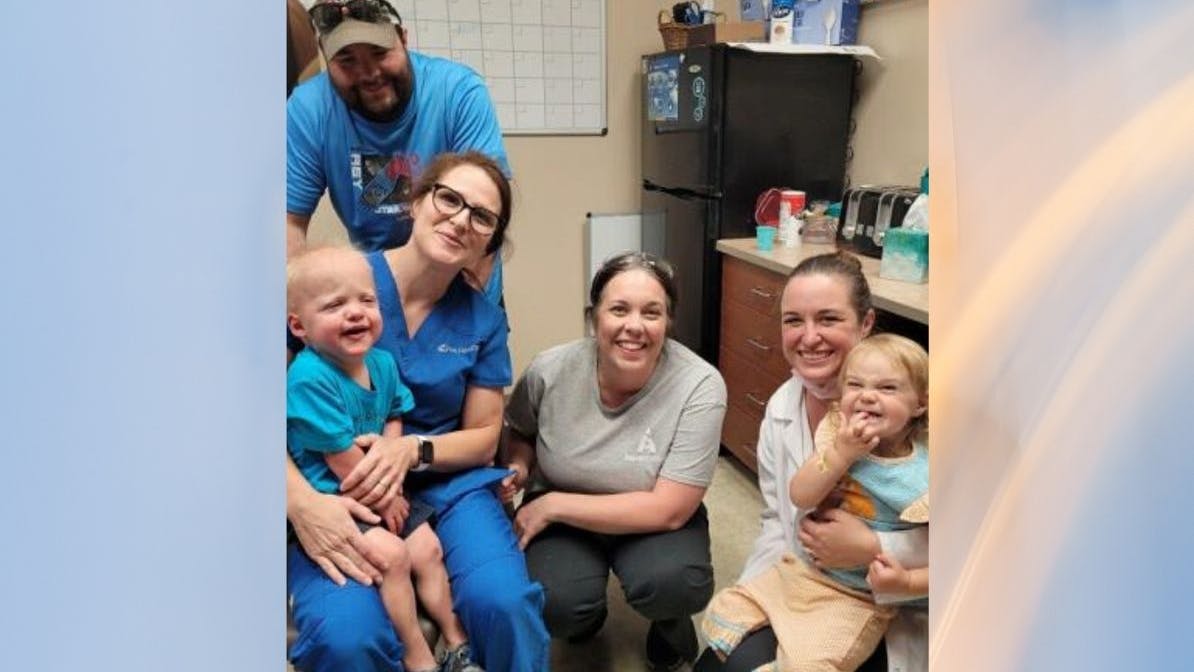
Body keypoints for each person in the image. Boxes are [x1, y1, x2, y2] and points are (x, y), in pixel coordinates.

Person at [286, 151, 550, 672]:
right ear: (417, 199)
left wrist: (409, 449)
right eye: (449, 198)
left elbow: (482, 436)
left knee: (504, 603)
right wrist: (297, 500)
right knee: (346, 638)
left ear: (490, 241)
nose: (459, 219)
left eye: (482, 216)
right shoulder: (340, 280)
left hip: (444, 482)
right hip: (338, 487)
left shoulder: (482, 318)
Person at [693, 252, 928, 672]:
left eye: (828, 319)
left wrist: (873, 547)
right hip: (808, 582)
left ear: (866, 324)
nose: (809, 337)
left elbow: (979, 551)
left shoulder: (920, 426)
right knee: (717, 663)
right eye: (793, 320)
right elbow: (776, 519)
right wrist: (763, 596)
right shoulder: (783, 407)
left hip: (894, 604)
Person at [500, 251, 728, 671]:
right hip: (567, 523)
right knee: (556, 604)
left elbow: (671, 508)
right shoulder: (550, 369)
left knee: (673, 582)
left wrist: (550, 505)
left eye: (652, 312)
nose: (634, 326)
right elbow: (521, 430)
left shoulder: (700, 385)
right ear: (594, 318)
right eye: (619, 309)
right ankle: (586, 615)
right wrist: (517, 467)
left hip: (649, 517)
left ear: (669, 322)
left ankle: (669, 621)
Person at [286, 246, 483, 672]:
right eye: (335, 304)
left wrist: (392, 459)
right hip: (340, 499)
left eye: (366, 300)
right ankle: (418, 655)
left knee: (428, 549)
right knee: (393, 557)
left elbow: (394, 414)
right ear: (299, 326)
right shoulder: (306, 379)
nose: (356, 313)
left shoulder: (382, 362)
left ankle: (456, 641)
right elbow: (344, 465)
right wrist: (387, 497)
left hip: (382, 486)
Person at [287, 0, 508, 302]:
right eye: (346, 60)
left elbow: (484, 213)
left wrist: (464, 326)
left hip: (462, 284)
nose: (368, 74)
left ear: (403, 39)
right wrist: (297, 315)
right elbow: (289, 224)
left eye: (379, 53)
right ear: (326, 58)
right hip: (374, 294)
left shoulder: (457, 92)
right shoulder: (309, 108)